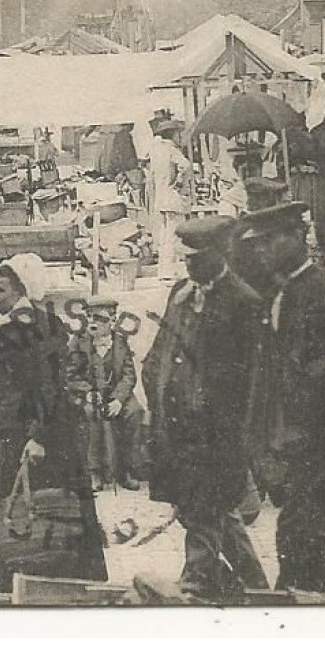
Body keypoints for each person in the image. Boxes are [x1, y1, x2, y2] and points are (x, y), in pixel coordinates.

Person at [237, 197, 325, 594]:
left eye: (270, 241)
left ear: (298, 236)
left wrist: (311, 390)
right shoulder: (283, 292)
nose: (262, 251)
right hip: (298, 443)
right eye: (257, 244)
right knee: (319, 540)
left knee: (297, 538)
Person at [142, 217, 270, 597]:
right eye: (186, 261)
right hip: (176, 428)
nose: (190, 268)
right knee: (200, 508)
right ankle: (257, 584)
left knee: (205, 505)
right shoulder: (181, 291)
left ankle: (195, 578)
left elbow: (247, 381)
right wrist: (156, 395)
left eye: (197, 260)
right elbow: (161, 352)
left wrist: (234, 436)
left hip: (215, 433)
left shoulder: (243, 301)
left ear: (221, 254)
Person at [0, 254, 106, 590]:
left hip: (31, 430)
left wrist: (39, 435)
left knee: (34, 504)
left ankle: (26, 571)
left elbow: (51, 385)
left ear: (21, 289)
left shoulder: (41, 326)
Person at [66, 296, 144, 491]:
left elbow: (128, 375)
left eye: (100, 319)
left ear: (112, 320)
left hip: (115, 393)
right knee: (92, 413)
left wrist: (118, 399)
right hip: (89, 395)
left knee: (134, 411)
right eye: (90, 317)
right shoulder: (78, 342)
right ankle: (94, 471)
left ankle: (126, 470)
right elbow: (68, 375)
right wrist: (87, 391)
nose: (93, 323)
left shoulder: (120, 342)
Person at [147, 118, 190, 276]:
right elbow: (185, 166)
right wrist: (179, 182)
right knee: (174, 235)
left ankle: (164, 271)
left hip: (162, 198)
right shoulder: (173, 151)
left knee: (165, 236)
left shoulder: (156, 151)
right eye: (179, 134)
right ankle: (171, 272)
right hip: (173, 198)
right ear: (173, 135)